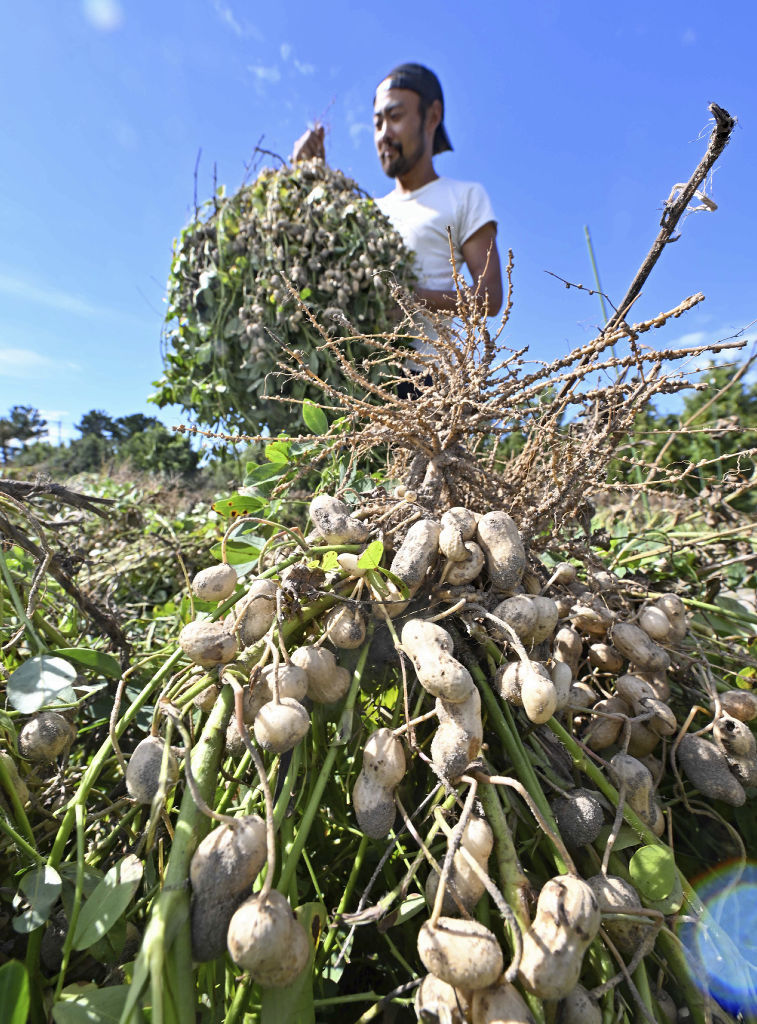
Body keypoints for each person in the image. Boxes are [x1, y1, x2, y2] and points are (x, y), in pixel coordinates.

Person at [292, 63, 502, 319]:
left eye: (395, 117)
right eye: (378, 123)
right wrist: (308, 176)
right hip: (361, 360)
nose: (383, 134)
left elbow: (489, 297)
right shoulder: (368, 213)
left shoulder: (464, 197)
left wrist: (411, 299)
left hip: (434, 359)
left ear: (433, 116)